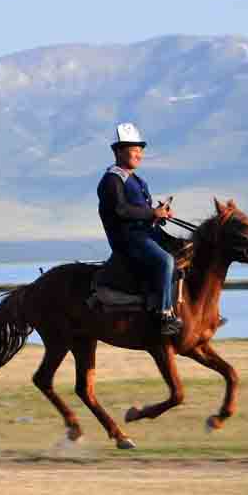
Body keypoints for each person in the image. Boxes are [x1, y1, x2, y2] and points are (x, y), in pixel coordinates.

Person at [96, 123, 181, 337]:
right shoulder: (111, 180)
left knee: (186, 250)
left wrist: (160, 214)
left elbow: (143, 212)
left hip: (146, 234)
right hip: (128, 240)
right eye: (134, 150)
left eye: (140, 150)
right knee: (166, 261)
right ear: (118, 151)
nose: (139, 155)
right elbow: (120, 210)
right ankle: (164, 315)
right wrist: (153, 213)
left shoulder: (138, 180)